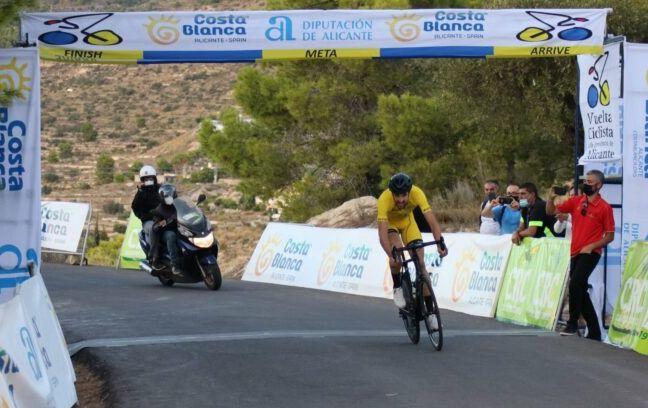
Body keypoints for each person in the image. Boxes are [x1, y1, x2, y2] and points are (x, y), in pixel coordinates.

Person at [547, 170, 614, 340]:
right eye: (585, 180)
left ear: (598, 185)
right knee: (580, 289)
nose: (586, 184)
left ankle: (572, 323)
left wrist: (592, 246)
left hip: (591, 252)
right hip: (575, 251)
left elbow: (610, 236)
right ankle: (595, 331)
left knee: (576, 284)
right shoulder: (577, 201)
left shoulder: (604, 207)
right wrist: (550, 197)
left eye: (590, 181)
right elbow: (550, 211)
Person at [377, 173, 448, 329]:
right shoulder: (384, 200)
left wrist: (439, 242)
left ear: (409, 191)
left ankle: (431, 314)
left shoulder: (417, 193)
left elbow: (431, 220)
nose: (401, 200)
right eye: (397, 196)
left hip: (409, 224)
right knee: (397, 257)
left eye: (404, 195)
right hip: (391, 226)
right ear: (391, 193)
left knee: (421, 264)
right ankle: (397, 287)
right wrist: (391, 255)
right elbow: (382, 235)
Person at [131, 165, 162, 267]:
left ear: (154, 178)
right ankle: (153, 256)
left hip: (163, 218)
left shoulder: (160, 189)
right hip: (149, 221)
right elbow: (135, 207)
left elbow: (172, 199)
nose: (149, 180)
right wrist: (144, 217)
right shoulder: (141, 193)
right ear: (142, 180)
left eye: (151, 178)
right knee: (153, 228)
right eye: (146, 178)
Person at [151, 184, 183, 276]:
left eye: (171, 194)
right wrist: (164, 222)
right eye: (167, 196)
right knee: (171, 236)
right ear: (162, 197)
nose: (170, 197)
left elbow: (188, 209)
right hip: (166, 231)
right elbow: (155, 225)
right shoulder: (159, 210)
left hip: (180, 228)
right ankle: (175, 265)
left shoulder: (179, 204)